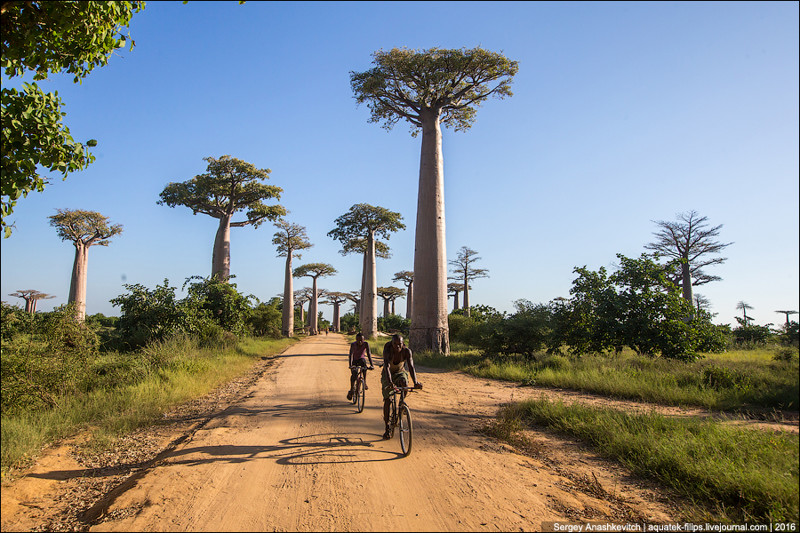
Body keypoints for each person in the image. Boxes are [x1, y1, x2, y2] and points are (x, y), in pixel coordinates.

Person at [381, 334, 422, 439]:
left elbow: (411, 366)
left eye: (399, 344)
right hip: (388, 374)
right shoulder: (388, 350)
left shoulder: (406, 351)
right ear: (392, 343)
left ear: (403, 343)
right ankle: (387, 427)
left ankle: (401, 405)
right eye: (395, 344)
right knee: (388, 400)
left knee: (404, 383)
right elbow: (386, 366)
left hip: (400, 372)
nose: (397, 346)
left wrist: (416, 382)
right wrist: (390, 382)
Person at [348, 333, 374, 400]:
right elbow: (350, 355)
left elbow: (369, 354)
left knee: (364, 364)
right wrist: (350, 365)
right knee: (354, 374)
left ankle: (364, 382)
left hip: (361, 360)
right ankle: (351, 389)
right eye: (358, 340)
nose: (360, 342)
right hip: (355, 361)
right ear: (356, 340)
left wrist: (372, 365)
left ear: (364, 340)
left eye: (361, 340)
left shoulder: (366, 344)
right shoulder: (353, 345)